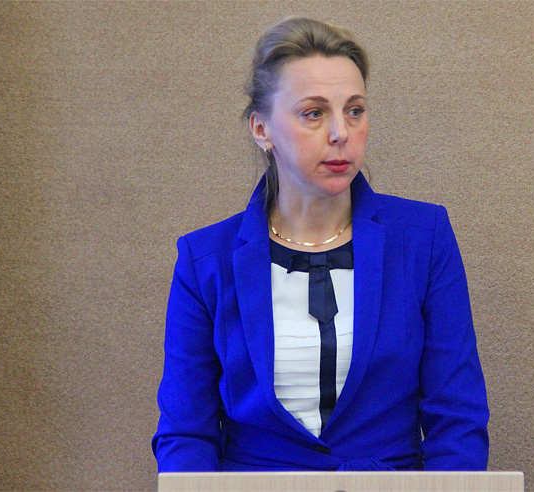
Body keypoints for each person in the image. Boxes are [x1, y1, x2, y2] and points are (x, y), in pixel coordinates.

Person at [152, 17, 489, 472]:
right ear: (261, 129)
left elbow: (458, 420)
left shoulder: (423, 238)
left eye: (355, 111)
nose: (340, 133)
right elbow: (186, 435)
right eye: (314, 113)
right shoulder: (205, 260)